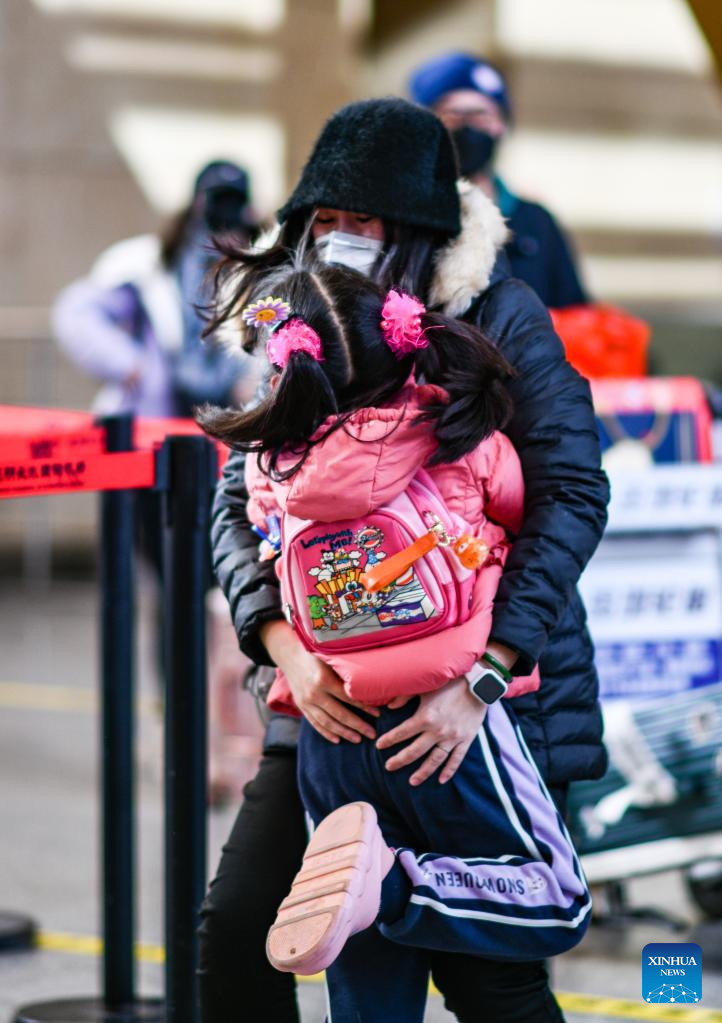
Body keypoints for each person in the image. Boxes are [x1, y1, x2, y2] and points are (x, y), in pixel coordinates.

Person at [199, 97, 609, 1023]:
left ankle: (398, 886)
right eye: (325, 221)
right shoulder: (298, 318)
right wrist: (285, 651)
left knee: (482, 974)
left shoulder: (501, 312)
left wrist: (483, 680)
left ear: (418, 227)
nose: (340, 240)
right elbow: (240, 494)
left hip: (479, 703)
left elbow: (573, 495)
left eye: (364, 222)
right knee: (242, 928)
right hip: (325, 698)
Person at [409, 52, 588, 309]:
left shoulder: (535, 222)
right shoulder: (409, 219)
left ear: (502, 125)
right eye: (453, 117)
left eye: (481, 116)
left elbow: (575, 311)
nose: (468, 128)